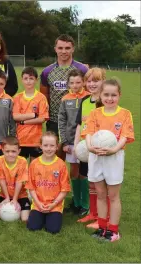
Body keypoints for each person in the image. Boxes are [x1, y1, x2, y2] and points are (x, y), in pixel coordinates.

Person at [82, 78, 134, 242]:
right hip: (96, 157)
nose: (109, 98)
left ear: (119, 95)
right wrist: (90, 147)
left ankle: (113, 230)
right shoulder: (95, 113)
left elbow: (125, 136)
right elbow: (88, 133)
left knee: (113, 195)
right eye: (106, 94)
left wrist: (114, 149)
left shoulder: (125, 114)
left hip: (114, 158)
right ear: (100, 95)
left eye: (113, 95)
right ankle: (102, 227)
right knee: (101, 194)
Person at [40, 34, 88, 158]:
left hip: (78, 121)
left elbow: (90, 95)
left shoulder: (82, 69)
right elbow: (44, 97)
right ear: (55, 49)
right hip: (55, 120)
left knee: (80, 157)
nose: (64, 51)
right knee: (55, 155)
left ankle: (78, 178)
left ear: (73, 49)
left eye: (67, 48)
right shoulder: (47, 71)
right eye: (60, 48)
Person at [74, 67, 108, 229]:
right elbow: (79, 124)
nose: (92, 84)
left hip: (100, 150)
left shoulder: (106, 101)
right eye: (89, 81)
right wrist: (75, 146)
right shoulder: (85, 101)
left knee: (101, 184)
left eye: (96, 80)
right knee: (90, 182)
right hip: (85, 149)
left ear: (103, 81)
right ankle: (92, 213)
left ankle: (103, 216)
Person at [26, 131, 71, 234]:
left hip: (55, 205)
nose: (48, 148)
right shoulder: (34, 164)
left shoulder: (61, 165)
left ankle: (52, 216)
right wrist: (37, 203)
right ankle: (40, 215)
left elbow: (64, 190)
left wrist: (54, 204)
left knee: (53, 230)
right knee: (33, 227)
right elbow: (31, 188)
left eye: (52, 145)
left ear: (57, 147)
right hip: (38, 203)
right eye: (45, 145)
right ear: (40, 146)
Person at [58, 69, 89, 215]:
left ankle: (85, 203)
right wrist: (64, 142)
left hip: (87, 142)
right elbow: (61, 121)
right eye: (72, 83)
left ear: (83, 82)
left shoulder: (89, 98)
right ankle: (76, 202)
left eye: (78, 82)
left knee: (86, 173)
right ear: (68, 84)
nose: (75, 85)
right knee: (74, 172)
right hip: (71, 143)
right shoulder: (65, 99)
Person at [13, 67, 49, 162]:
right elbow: (15, 116)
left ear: (36, 80)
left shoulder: (41, 98)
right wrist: (33, 115)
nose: (28, 81)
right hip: (21, 140)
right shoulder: (18, 98)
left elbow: (42, 119)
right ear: (22, 80)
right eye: (26, 78)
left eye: (31, 78)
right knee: (21, 169)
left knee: (35, 168)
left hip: (36, 141)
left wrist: (22, 122)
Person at [0, 137, 30, 222]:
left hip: (21, 195)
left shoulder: (22, 161)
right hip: (3, 194)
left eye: (13, 151)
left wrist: (15, 199)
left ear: (19, 151)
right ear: (2, 150)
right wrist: (7, 198)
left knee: (24, 219)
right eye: (7, 151)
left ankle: (27, 201)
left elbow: (19, 181)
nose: (10, 154)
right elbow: (1, 180)